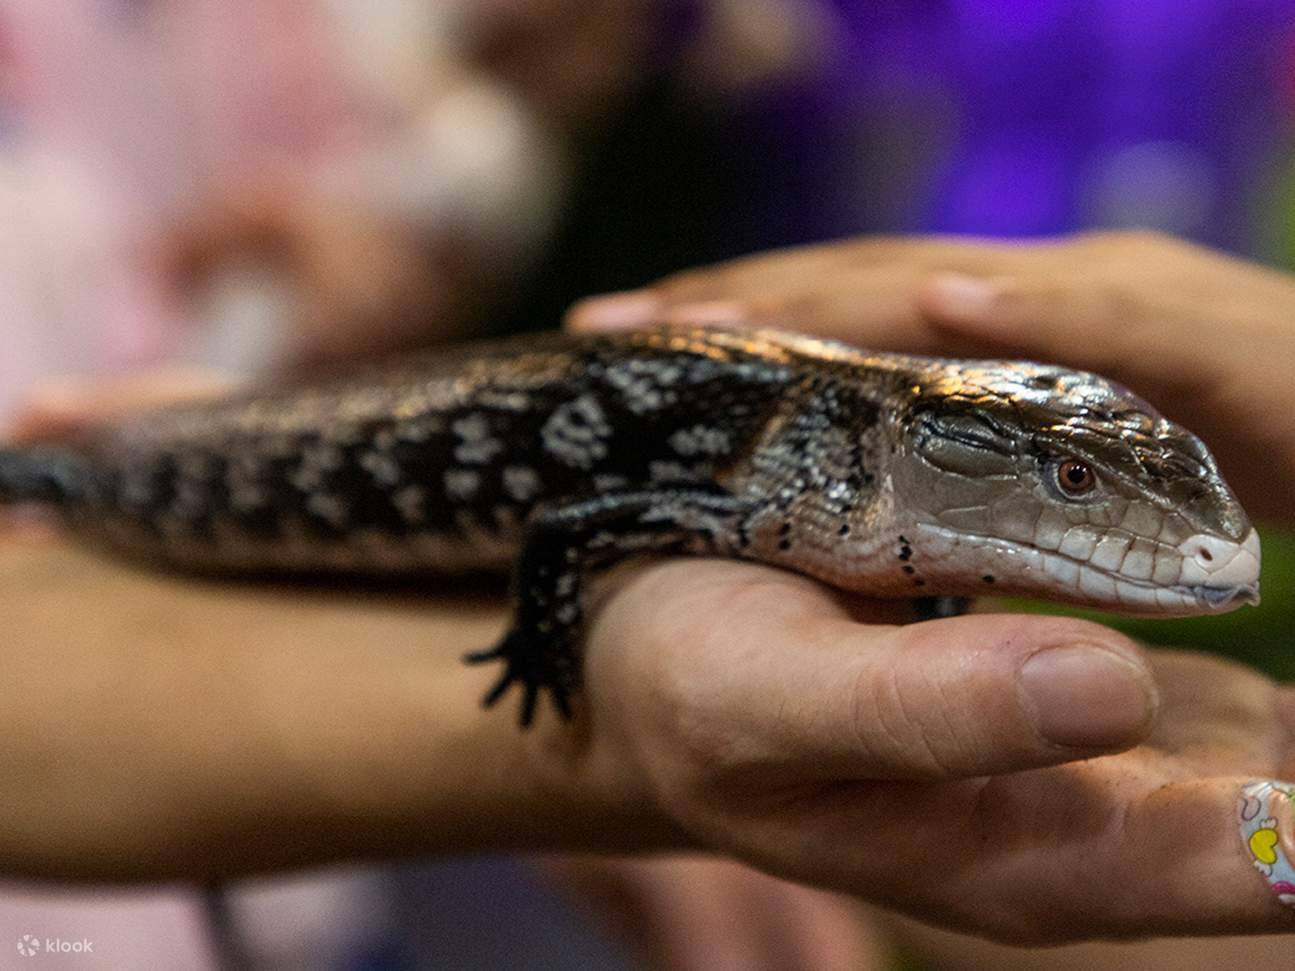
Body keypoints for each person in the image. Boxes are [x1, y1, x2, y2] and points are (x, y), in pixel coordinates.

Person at [4, 231, 1293, 971]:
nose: (1178, 544)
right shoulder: (785, 468)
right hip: (140, 502)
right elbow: (585, 526)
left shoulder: (831, 479)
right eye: (1069, 482)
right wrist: (572, 697)